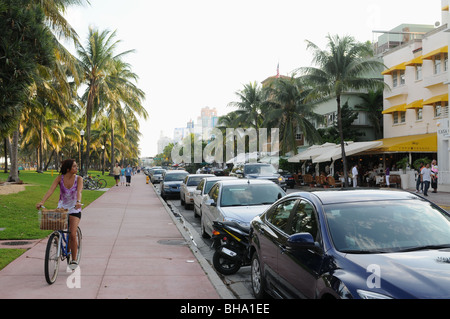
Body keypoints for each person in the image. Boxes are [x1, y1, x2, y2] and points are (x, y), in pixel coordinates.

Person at [36, 159, 83, 268]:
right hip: (62, 208)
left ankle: (74, 260)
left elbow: (79, 192)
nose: (76, 168)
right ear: (68, 169)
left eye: (76, 166)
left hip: (74, 208)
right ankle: (58, 242)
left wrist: (78, 202)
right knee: (57, 230)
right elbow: (50, 190)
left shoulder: (79, 179)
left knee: (72, 234)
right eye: (74, 166)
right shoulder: (59, 178)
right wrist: (42, 201)